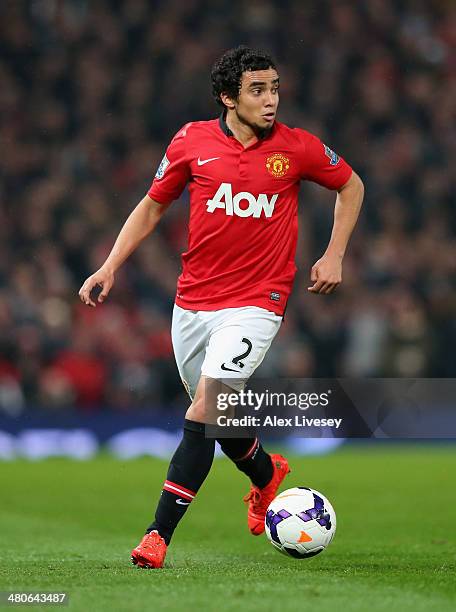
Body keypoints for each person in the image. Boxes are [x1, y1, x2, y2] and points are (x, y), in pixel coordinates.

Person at [79, 46, 364, 569]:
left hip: (259, 302)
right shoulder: (191, 141)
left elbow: (351, 185)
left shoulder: (296, 148)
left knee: (207, 408)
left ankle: (156, 536)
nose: (271, 99)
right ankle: (265, 474)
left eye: (275, 87)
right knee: (217, 416)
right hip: (193, 303)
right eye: (258, 90)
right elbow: (152, 205)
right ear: (228, 97)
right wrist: (110, 265)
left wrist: (333, 254)